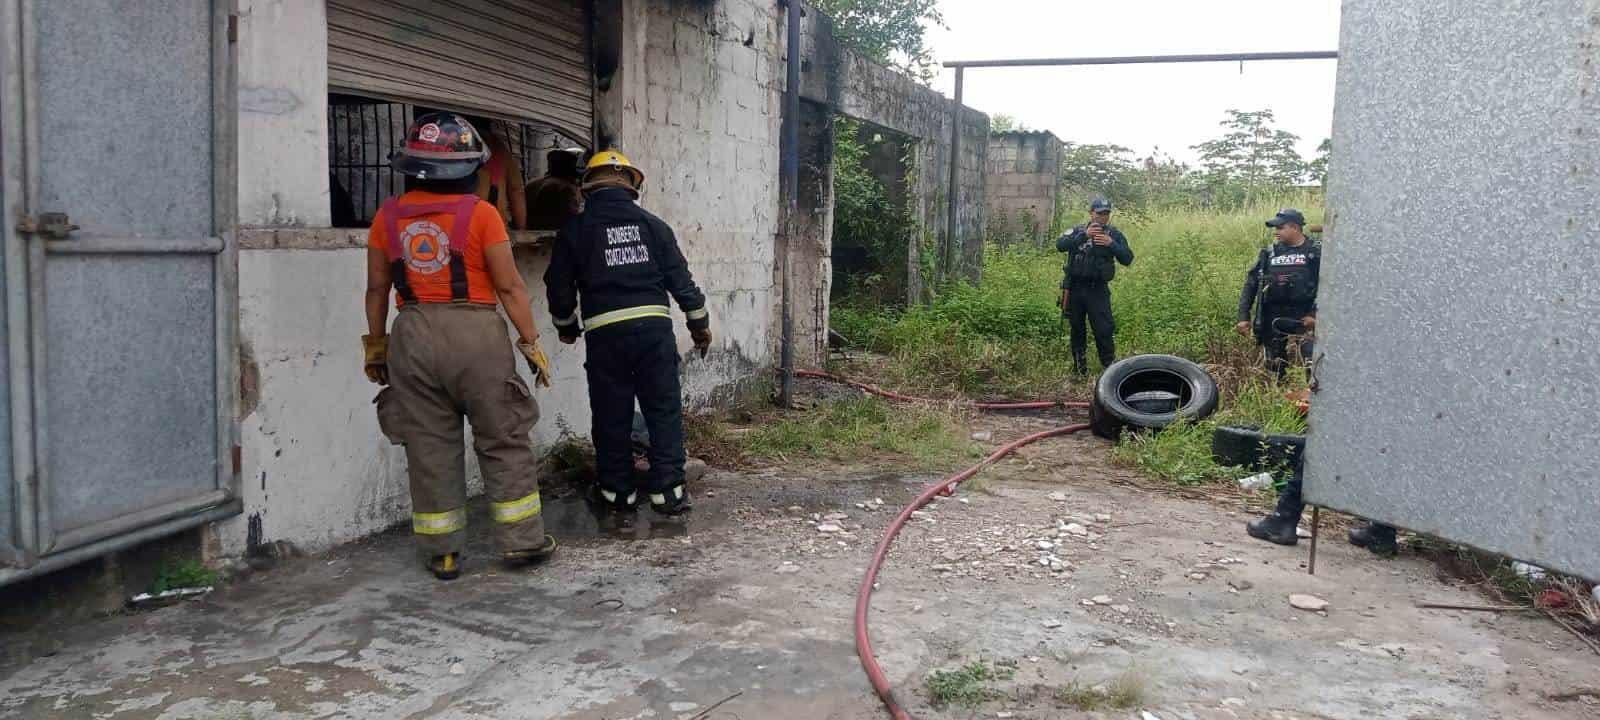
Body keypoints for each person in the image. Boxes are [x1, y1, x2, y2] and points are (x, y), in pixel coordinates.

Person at [362, 112, 557, 580]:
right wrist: (531, 342)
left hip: (412, 335)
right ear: (471, 170)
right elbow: (509, 287)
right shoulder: (482, 215)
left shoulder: (387, 218)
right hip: (477, 336)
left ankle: (443, 552)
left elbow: (376, 289)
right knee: (503, 437)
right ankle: (522, 544)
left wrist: (376, 347)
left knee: (428, 446)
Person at [545, 149, 711, 516]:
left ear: (588, 186)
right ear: (632, 185)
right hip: (654, 333)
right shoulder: (654, 226)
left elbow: (558, 287)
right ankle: (669, 494)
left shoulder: (576, 229)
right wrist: (700, 326)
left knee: (611, 414)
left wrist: (566, 327)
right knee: (663, 411)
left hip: (606, 337)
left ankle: (617, 495)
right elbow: (682, 283)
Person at [1235, 208, 1319, 377]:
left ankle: (1310, 399)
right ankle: (1281, 396)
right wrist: (1243, 317)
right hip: (1273, 317)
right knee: (1275, 367)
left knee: (1313, 365)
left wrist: (1315, 315)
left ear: (1295, 227)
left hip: (1305, 317)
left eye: (1280, 228)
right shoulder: (1269, 253)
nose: (1276, 232)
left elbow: (1329, 288)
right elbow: (1251, 284)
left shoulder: (1315, 253)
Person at [1056, 197, 1134, 375]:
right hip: (1075, 288)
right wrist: (1084, 235)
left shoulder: (1114, 234)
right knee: (1077, 329)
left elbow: (1128, 258)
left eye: (1106, 213)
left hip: (1097, 289)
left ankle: (1110, 371)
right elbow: (1060, 245)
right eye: (1099, 213)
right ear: (1091, 213)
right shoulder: (1078, 230)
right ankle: (1080, 369)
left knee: (1104, 329)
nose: (1103, 217)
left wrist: (1111, 244)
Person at [465, 116, 527, 231]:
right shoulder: (497, 148)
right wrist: (522, 231)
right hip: (492, 229)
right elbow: (516, 190)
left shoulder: (447, 147)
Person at [524, 148, 585, 231]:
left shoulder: (531, 184)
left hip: (530, 235)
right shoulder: (565, 189)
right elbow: (572, 221)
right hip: (553, 238)